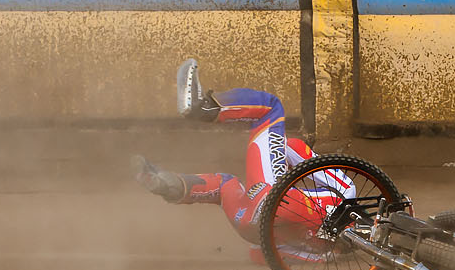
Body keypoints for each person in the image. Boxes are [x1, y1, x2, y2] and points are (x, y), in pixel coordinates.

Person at [133, 57, 357, 248]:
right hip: (256, 233)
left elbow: (294, 150)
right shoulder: (329, 253)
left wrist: (281, 152)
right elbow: (261, 256)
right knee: (225, 184)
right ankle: (168, 184)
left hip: (266, 207)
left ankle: (203, 107)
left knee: (271, 108)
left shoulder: (348, 197)